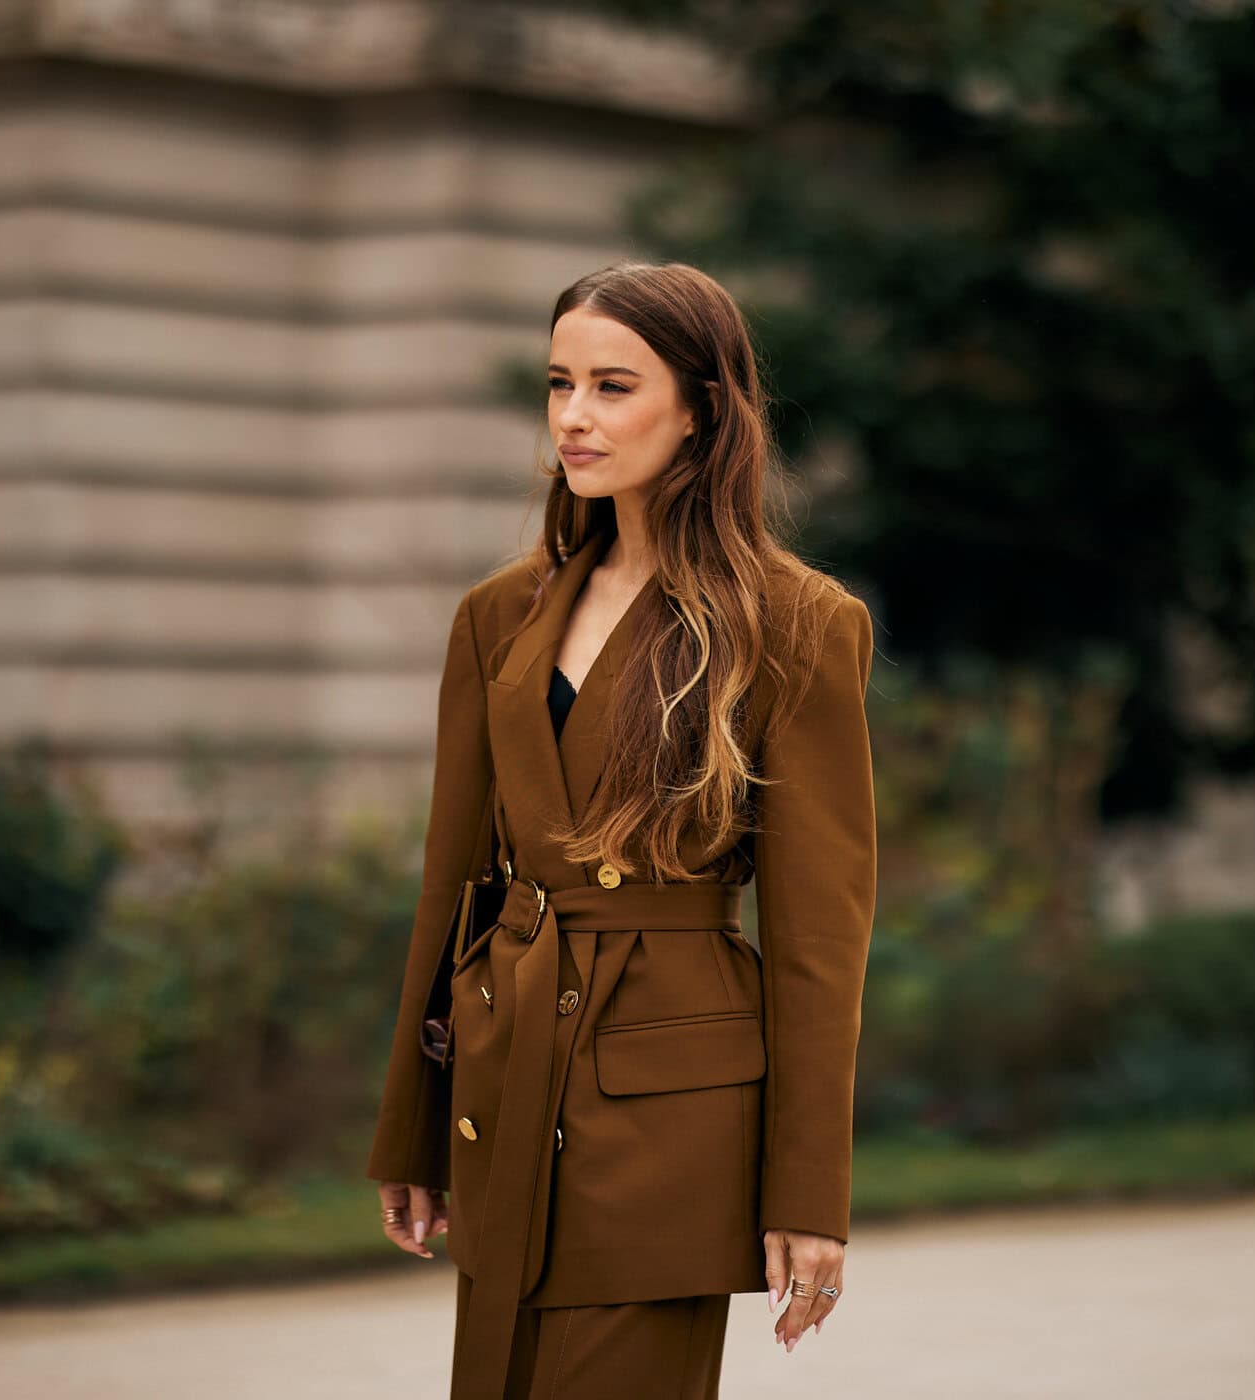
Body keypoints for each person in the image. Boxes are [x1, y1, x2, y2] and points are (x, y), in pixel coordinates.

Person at [366, 259, 878, 1400]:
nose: (574, 418)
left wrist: (809, 1193)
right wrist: (410, 1129)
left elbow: (817, 938)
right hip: (505, 1073)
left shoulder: (796, 622)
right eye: (559, 385)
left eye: (612, 385)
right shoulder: (500, 612)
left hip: (668, 1104)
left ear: (699, 409)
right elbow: (451, 885)